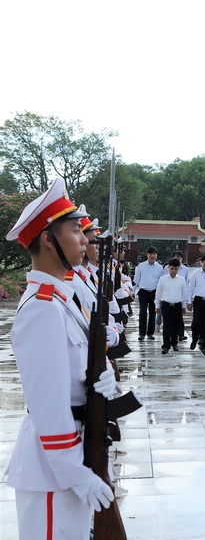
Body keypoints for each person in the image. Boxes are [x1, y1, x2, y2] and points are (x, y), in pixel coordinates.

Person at [5, 178, 118, 539]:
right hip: (54, 469)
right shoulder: (41, 309)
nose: (85, 239)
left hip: (74, 454)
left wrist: (103, 378)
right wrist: (74, 472)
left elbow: (73, 375)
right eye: (74, 231)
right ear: (47, 239)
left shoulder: (60, 300)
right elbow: (47, 404)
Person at [156, 258, 189, 354]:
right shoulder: (162, 279)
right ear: (168, 268)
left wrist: (184, 306)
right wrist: (157, 306)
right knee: (166, 325)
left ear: (178, 269)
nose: (174, 271)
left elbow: (184, 294)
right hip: (166, 304)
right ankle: (166, 345)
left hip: (177, 305)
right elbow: (158, 293)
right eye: (172, 268)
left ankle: (174, 343)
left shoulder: (181, 280)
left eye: (176, 269)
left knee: (176, 325)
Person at [135, 246, 162, 340]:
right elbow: (136, 280)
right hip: (143, 292)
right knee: (142, 313)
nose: (152, 255)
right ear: (147, 255)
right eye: (150, 253)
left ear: (156, 255)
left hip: (154, 292)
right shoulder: (141, 266)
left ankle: (150, 333)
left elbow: (161, 282)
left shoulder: (159, 268)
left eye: (154, 254)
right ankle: (141, 333)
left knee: (152, 313)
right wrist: (132, 292)